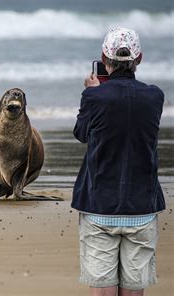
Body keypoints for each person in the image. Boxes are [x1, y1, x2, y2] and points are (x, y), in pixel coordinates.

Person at [72, 28, 165, 296]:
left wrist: (90, 94)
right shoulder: (154, 96)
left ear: (104, 57)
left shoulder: (94, 96)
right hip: (142, 205)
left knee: (102, 288)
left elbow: (81, 134)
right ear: (139, 59)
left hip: (100, 204)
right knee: (134, 289)